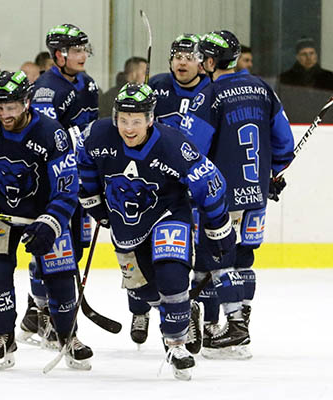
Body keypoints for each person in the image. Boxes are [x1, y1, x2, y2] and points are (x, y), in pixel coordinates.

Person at [78, 82, 234, 380]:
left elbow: (209, 183)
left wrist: (220, 228)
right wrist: (93, 200)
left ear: (150, 119)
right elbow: (84, 160)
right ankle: (183, 312)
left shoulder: (173, 144)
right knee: (143, 289)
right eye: (123, 120)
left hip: (167, 213)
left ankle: (177, 344)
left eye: (136, 120)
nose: (129, 127)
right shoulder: (97, 134)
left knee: (171, 276)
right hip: (125, 220)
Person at [0, 70, 93, 371]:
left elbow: (67, 187)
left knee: (60, 275)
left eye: (11, 107)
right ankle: (3, 335)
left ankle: (68, 335)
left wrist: (51, 221)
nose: (4, 114)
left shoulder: (51, 133)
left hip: (42, 213)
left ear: (27, 102)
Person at [181, 30, 294, 359]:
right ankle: (239, 325)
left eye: (203, 56)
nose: (200, 62)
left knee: (212, 259)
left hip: (221, 196)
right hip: (256, 195)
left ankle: (227, 326)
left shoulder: (210, 94)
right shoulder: (262, 89)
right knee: (243, 258)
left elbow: (192, 149)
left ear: (213, 61)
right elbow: (283, 143)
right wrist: (272, 173)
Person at [123, 34, 211, 351]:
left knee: (180, 259)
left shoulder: (211, 90)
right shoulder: (157, 85)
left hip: (190, 185)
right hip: (150, 186)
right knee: (134, 253)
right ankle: (141, 310)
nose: (182, 62)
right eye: (177, 55)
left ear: (202, 61)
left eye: (189, 56)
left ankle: (190, 313)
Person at [19, 23, 99, 347]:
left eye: (84, 49)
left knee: (74, 251)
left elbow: (91, 131)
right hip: (52, 184)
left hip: (80, 180)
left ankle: (35, 311)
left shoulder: (89, 85)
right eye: (76, 50)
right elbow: (51, 138)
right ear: (59, 55)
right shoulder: (44, 90)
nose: (83, 56)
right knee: (50, 250)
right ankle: (42, 311)